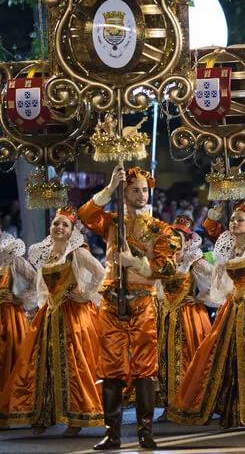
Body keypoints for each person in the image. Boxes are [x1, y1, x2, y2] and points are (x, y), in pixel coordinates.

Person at [79, 166, 181, 450]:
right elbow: (86, 215)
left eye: (144, 190)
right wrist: (109, 188)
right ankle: (112, 434)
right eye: (134, 189)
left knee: (145, 369)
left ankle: (145, 432)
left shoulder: (161, 229)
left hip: (142, 301)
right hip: (112, 300)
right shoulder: (112, 222)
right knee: (111, 368)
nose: (141, 194)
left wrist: (134, 263)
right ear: (125, 193)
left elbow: (168, 267)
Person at [168, 199, 245, 429]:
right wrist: (227, 293)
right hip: (234, 306)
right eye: (233, 219)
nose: (235, 223)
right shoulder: (228, 248)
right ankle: (232, 408)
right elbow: (219, 276)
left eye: (241, 220)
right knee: (227, 356)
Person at [0, 207, 103, 434]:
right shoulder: (44, 253)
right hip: (50, 313)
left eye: (65, 225)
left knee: (73, 365)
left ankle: (76, 417)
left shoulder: (78, 252)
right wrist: (39, 303)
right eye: (57, 223)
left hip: (74, 316)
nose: (59, 228)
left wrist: (84, 293)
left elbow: (100, 273)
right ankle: (43, 414)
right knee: (41, 364)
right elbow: (40, 285)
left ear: (71, 230)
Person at [156, 215, 215, 416]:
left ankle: (189, 403)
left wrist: (200, 298)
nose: (175, 242)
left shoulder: (194, 261)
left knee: (187, 360)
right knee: (166, 360)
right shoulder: (165, 261)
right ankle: (169, 404)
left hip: (189, 318)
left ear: (187, 241)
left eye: (179, 238)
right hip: (166, 317)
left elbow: (217, 278)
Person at [0, 228, 34, 391]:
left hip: (11, 318)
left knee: (15, 356)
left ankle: (11, 401)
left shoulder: (14, 261)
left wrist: (19, 298)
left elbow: (37, 284)